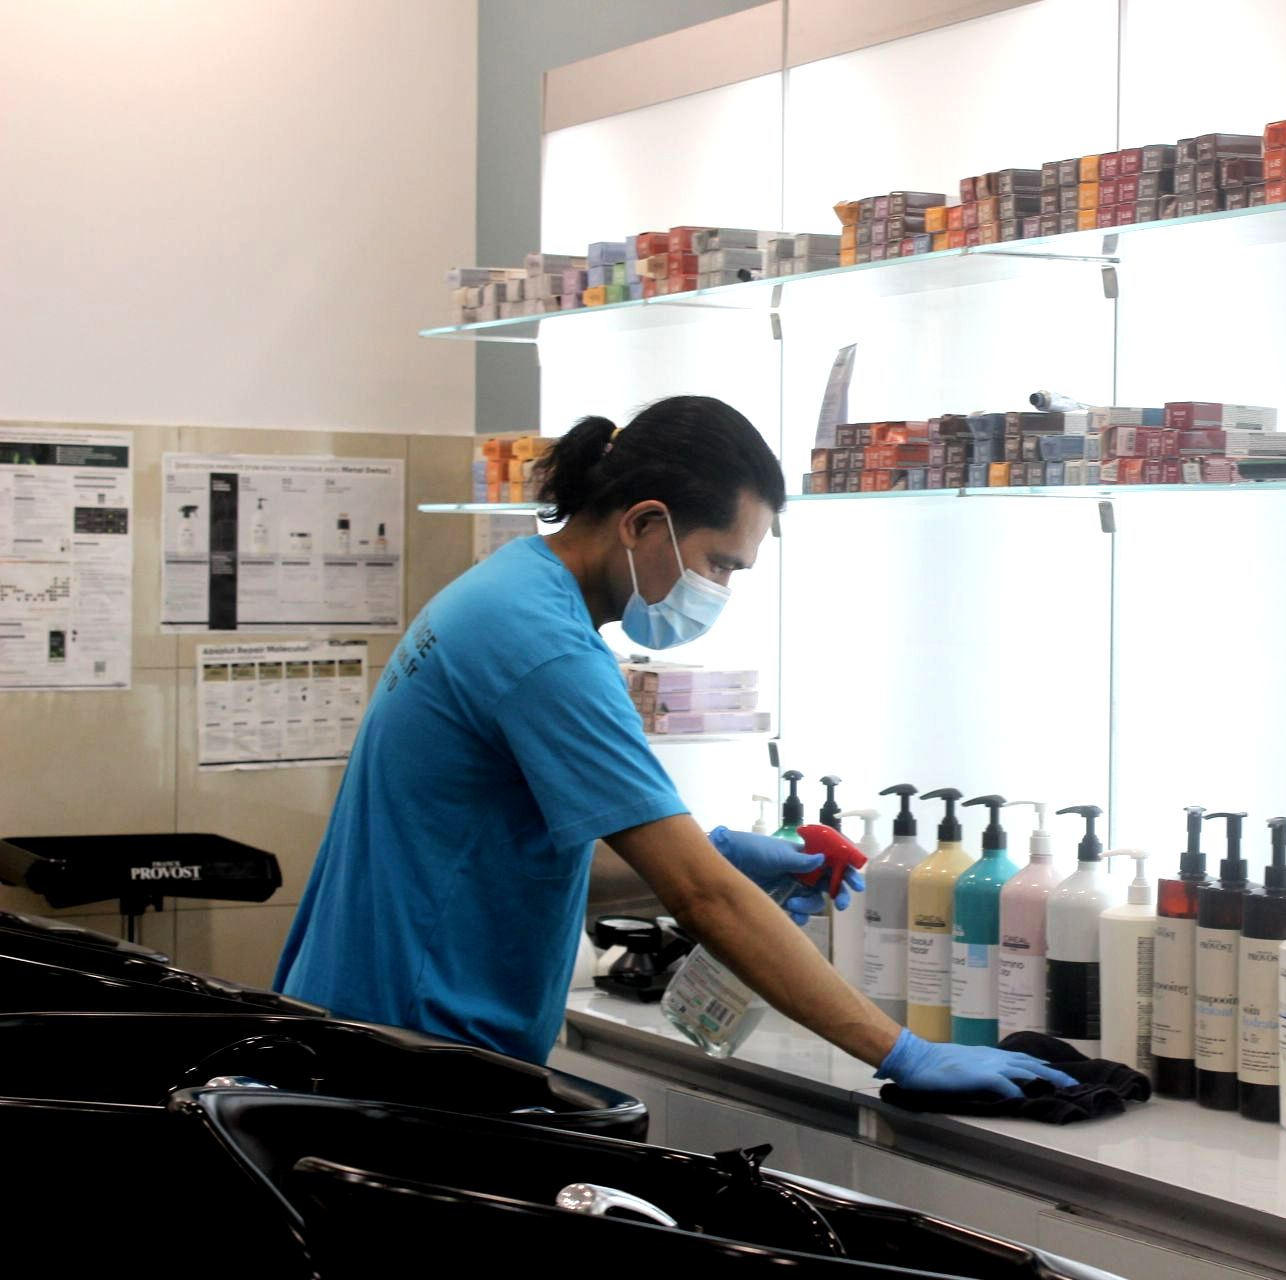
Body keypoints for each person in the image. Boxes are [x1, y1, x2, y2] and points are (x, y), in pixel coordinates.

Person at [276, 396, 1070, 1099]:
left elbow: (514, 865)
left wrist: (722, 852)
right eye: (721, 562)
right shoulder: (546, 650)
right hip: (410, 1063)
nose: (721, 588)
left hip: (370, 1028)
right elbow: (704, 900)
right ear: (644, 523)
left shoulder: (509, 588)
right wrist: (903, 1052)